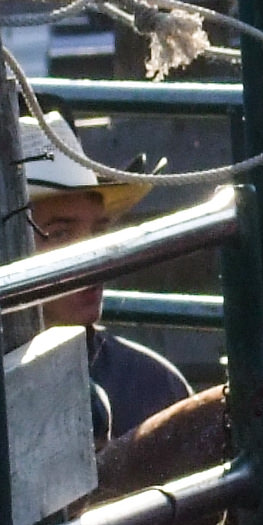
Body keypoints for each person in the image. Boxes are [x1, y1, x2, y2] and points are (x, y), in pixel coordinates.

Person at [17, 111, 192, 443]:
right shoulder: (154, 384)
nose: (92, 257)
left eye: (98, 232)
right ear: (7, 244)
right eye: (60, 234)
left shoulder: (155, 388)